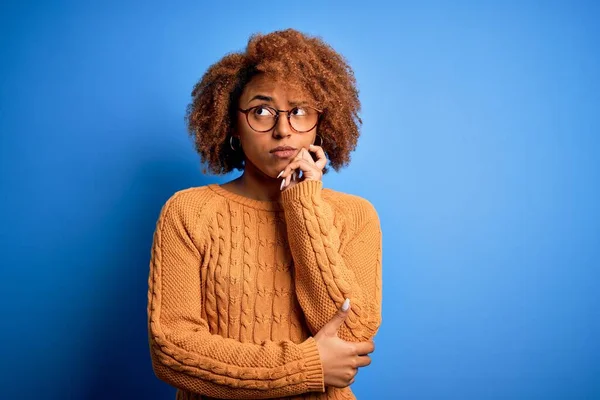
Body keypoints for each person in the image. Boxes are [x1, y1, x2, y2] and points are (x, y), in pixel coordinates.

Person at [147, 28, 383, 400]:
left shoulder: (355, 216)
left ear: (321, 122)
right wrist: (307, 365)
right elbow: (172, 352)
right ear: (232, 125)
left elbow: (351, 339)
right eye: (261, 111)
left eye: (300, 111)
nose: (283, 130)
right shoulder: (188, 212)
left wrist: (303, 204)